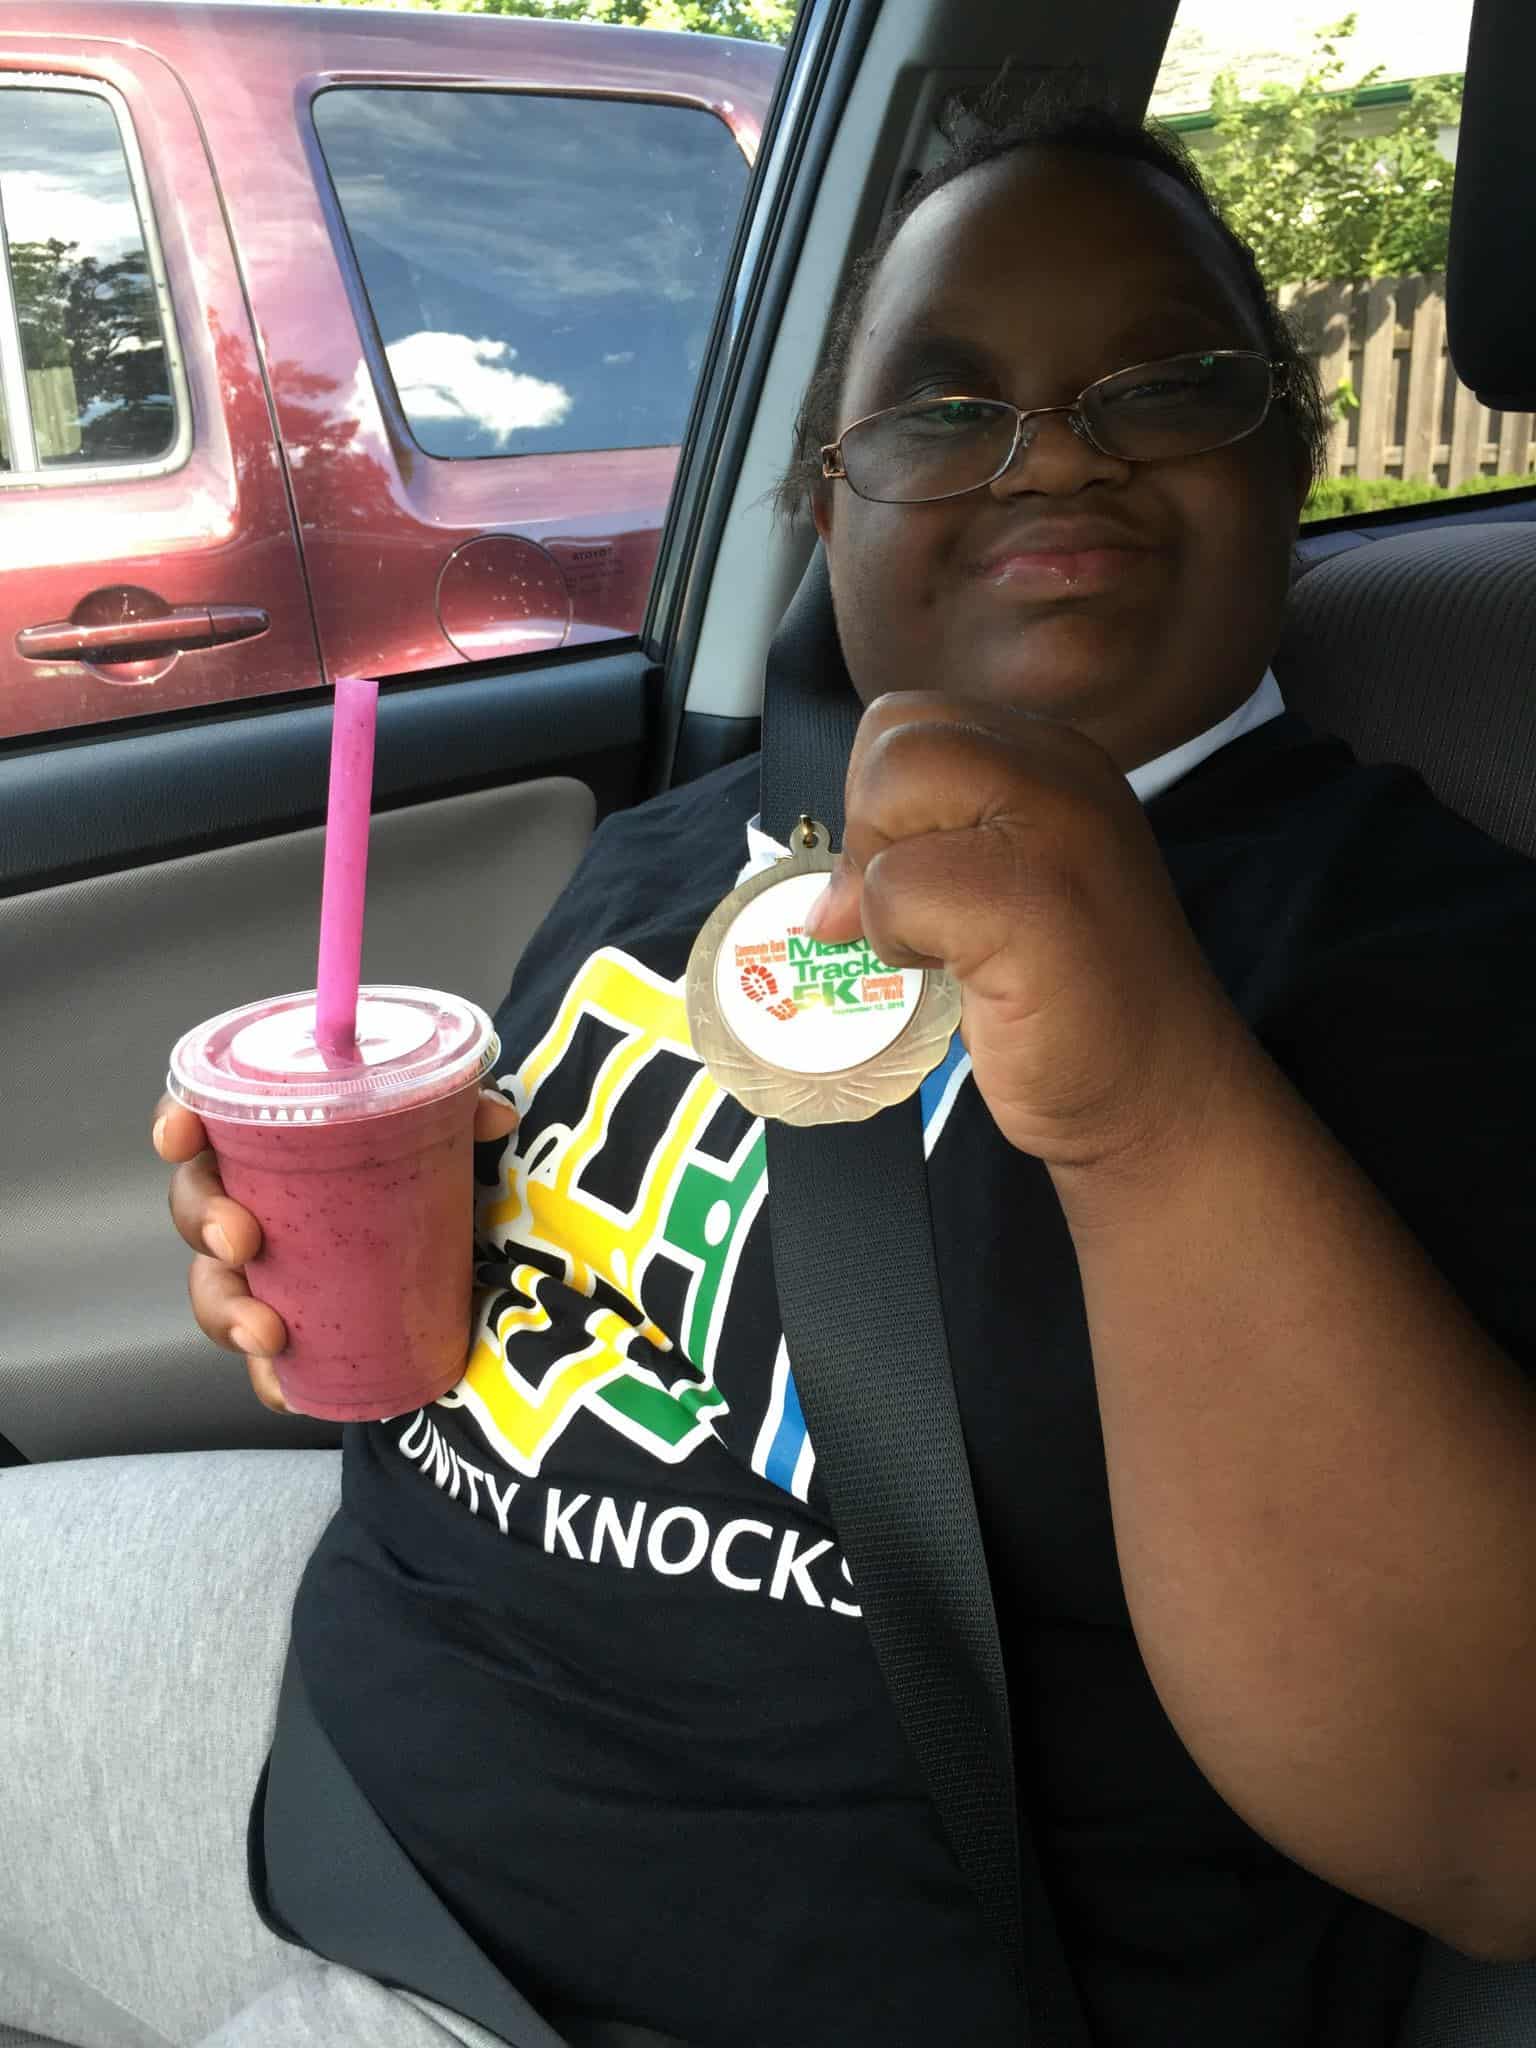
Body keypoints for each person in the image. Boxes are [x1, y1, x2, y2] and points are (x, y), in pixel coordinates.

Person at [7, 100, 1536, 2048]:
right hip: (341, 1757)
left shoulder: (1423, 947)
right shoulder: (678, 848)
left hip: (732, 1974)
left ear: (1290, 446)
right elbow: (583, 1318)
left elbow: (1492, 1827)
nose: (1057, 450)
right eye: (943, 408)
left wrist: (1147, 1098)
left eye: (1164, 384)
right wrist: (384, 1250)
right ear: (827, 504)